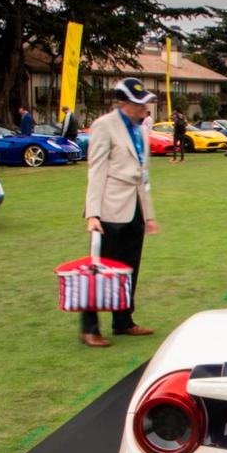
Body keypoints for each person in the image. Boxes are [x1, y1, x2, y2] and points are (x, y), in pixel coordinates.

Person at [79, 78, 160, 347]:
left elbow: (142, 175)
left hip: (134, 207)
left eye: (144, 102)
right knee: (100, 269)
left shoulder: (140, 129)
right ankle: (89, 327)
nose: (143, 107)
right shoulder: (104, 126)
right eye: (138, 103)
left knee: (129, 268)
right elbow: (97, 169)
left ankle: (123, 321)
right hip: (110, 210)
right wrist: (93, 213)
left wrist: (148, 215)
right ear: (123, 103)